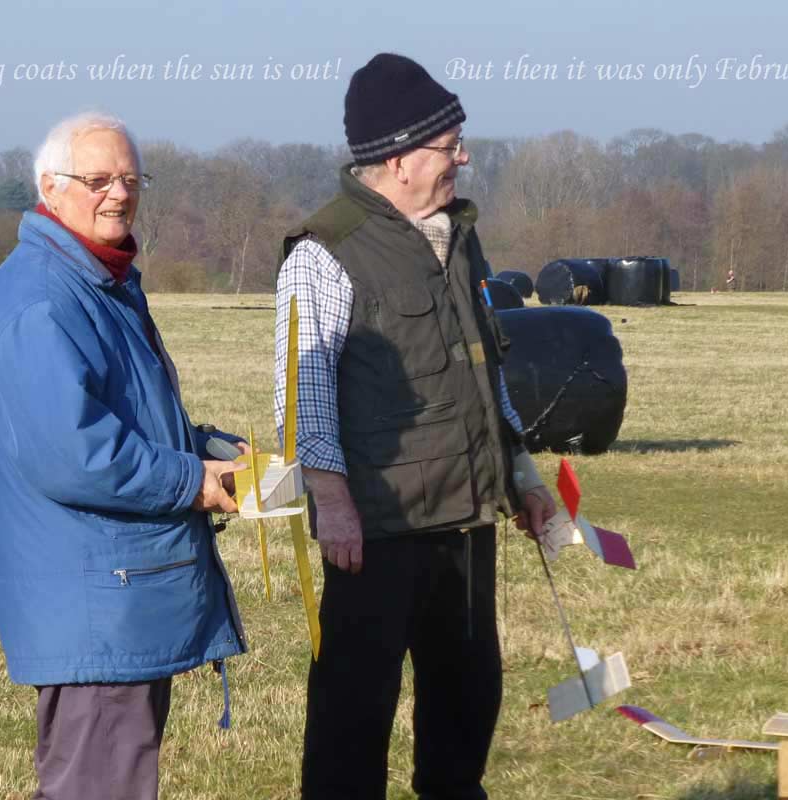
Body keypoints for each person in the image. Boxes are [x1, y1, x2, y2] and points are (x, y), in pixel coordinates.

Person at [273, 53, 556, 800]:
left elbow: (487, 369)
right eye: (450, 146)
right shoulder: (322, 251)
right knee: (352, 721)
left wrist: (522, 475)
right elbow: (303, 395)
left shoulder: (459, 237)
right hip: (376, 533)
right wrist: (333, 504)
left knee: (468, 707)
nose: (462, 158)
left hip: (466, 525)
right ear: (399, 159)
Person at [0, 112, 248, 800]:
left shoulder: (102, 281)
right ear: (50, 187)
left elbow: (123, 417)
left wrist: (207, 449)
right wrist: (192, 481)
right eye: (97, 180)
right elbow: (74, 453)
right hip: (97, 602)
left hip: (119, 592)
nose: (118, 194)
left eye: (130, 179)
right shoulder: (43, 297)